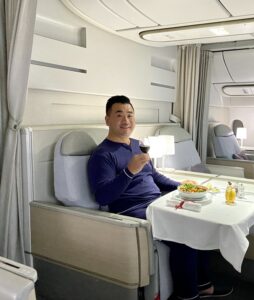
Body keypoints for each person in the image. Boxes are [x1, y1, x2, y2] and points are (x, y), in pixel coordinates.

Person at [88, 95, 233, 300]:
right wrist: (129, 171)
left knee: (202, 222)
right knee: (185, 235)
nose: (126, 120)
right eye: (119, 114)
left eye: (130, 114)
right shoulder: (102, 154)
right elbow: (103, 196)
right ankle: (187, 295)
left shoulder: (138, 145)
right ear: (107, 119)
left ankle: (204, 286)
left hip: (156, 203)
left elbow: (154, 176)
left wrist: (182, 185)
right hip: (131, 211)